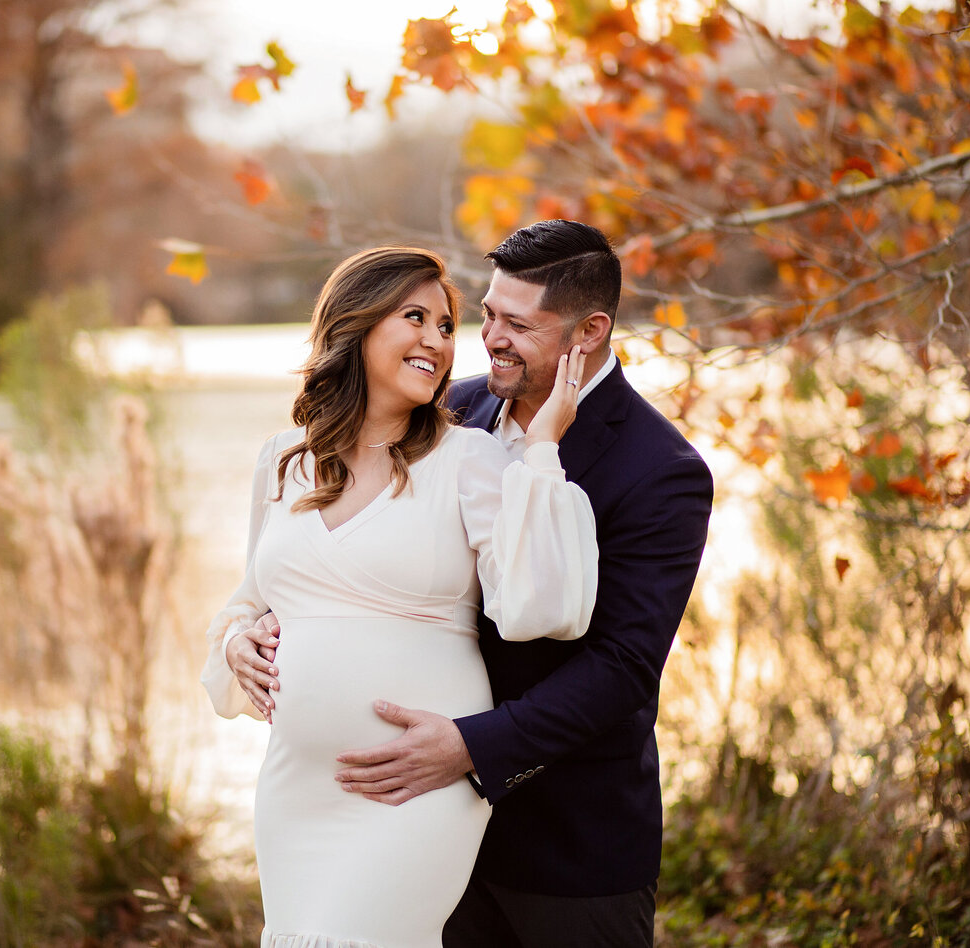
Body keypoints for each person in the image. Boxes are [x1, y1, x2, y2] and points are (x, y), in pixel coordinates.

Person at [235, 221, 713, 947]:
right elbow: (320, 562)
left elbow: (622, 669)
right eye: (487, 314)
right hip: (391, 810)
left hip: (565, 842)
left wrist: (470, 747)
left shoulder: (660, 469)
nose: (487, 338)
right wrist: (249, 634)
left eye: (517, 325)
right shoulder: (445, 410)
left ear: (588, 333)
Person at [201, 246, 600, 948]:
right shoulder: (284, 461)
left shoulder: (469, 459)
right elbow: (250, 597)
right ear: (354, 326)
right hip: (297, 788)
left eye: (446, 326)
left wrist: (541, 450)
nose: (438, 341)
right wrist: (236, 642)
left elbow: (543, 608)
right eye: (414, 317)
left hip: (415, 790)